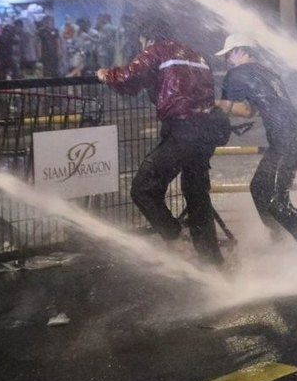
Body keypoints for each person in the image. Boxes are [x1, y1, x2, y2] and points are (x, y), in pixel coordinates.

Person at [96, 17, 228, 266]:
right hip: (207, 129)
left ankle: (177, 242)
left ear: (146, 38)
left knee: (143, 188)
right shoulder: (195, 54)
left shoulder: (157, 49)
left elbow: (128, 77)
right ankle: (212, 262)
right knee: (196, 193)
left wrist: (106, 75)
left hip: (183, 128)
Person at [215, 34, 297, 248]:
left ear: (241, 51)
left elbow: (226, 107)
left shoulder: (236, 73)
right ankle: (279, 240)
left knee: (277, 202)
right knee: (258, 187)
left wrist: (207, 104)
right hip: (289, 141)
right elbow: (248, 111)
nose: (226, 61)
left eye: (228, 55)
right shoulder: (268, 73)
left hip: (286, 143)